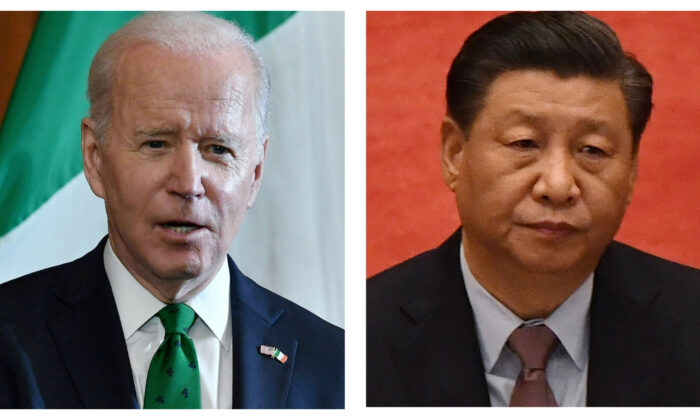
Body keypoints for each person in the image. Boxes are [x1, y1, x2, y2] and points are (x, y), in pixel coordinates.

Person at [0, 12, 343, 409]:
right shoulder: (10, 340)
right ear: (94, 158)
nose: (188, 183)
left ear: (255, 173)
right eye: (156, 144)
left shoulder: (337, 366)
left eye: (218, 149)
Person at [367, 11, 700, 407]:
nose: (558, 186)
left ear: (631, 172)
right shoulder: (362, 337)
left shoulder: (689, 323)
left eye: (592, 150)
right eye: (524, 143)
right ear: (454, 153)